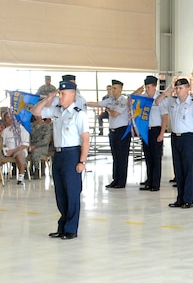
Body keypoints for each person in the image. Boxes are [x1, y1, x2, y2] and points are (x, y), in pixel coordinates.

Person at [32, 80, 90, 240]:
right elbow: (36, 111)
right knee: (60, 193)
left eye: (63, 94)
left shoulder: (79, 114)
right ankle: (62, 226)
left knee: (72, 193)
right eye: (60, 93)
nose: (61, 96)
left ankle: (71, 228)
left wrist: (82, 162)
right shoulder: (57, 111)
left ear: (73, 95)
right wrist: (47, 98)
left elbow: (85, 139)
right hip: (58, 155)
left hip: (72, 154)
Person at [155, 78, 193, 209]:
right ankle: (180, 198)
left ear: (188, 88)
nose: (178, 90)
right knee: (178, 169)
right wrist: (167, 92)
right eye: (176, 88)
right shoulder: (172, 101)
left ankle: (188, 199)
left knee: (188, 169)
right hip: (175, 137)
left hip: (189, 138)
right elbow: (157, 102)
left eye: (181, 88)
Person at [133, 76, 168, 192]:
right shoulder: (143, 98)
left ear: (154, 87)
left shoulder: (160, 98)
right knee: (148, 157)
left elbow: (164, 118)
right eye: (146, 87)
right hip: (145, 130)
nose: (147, 90)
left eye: (149, 87)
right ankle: (149, 180)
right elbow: (131, 98)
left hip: (156, 130)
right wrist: (140, 89)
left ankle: (155, 183)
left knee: (156, 158)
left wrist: (162, 133)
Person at [94, 80, 130, 189]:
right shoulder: (110, 100)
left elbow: (115, 113)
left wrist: (108, 109)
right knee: (115, 156)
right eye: (111, 88)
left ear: (120, 89)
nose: (112, 90)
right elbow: (98, 103)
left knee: (122, 157)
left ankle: (121, 181)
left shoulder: (123, 100)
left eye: (114, 88)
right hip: (113, 131)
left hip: (122, 131)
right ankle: (115, 179)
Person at [1, 112, 30, 184]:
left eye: (11, 117)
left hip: (19, 149)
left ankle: (21, 177)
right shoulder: (5, 131)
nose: (9, 119)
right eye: (7, 117)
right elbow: (3, 144)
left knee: (19, 155)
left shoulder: (22, 129)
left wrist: (13, 151)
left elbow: (25, 145)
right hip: (8, 151)